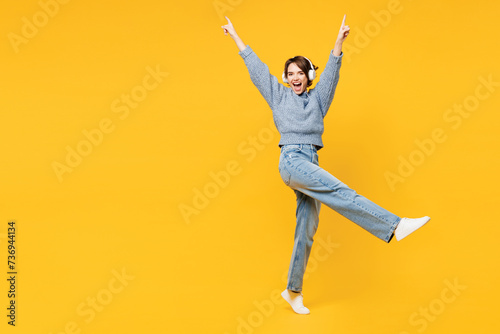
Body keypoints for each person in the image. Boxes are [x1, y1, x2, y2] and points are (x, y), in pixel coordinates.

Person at [221, 15, 430, 315]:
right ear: (285, 77)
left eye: (300, 73)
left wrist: (339, 42)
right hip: (292, 160)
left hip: (311, 160)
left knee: (306, 229)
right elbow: (257, 69)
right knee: (338, 189)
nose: (295, 77)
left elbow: (332, 72)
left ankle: (293, 292)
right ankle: (394, 225)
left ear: (308, 76)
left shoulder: (318, 100)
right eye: (290, 73)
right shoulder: (278, 96)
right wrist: (236, 36)